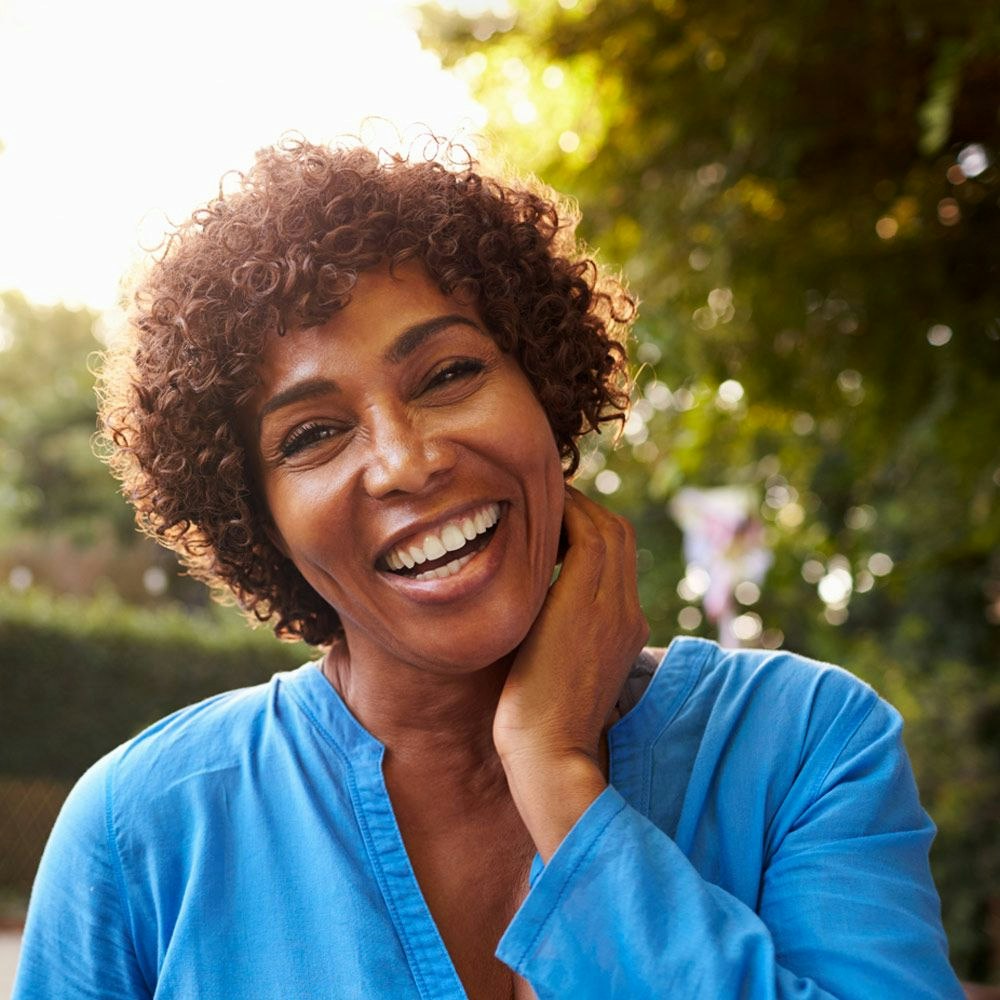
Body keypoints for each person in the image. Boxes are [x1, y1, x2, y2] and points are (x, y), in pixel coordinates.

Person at [13, 136, 964, 1000]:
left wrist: (556, 775)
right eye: (311, 434)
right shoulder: (140, 834)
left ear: (546, 388)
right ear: (257, 519)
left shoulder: (805, 744)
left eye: (449, 375)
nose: (406, 460)